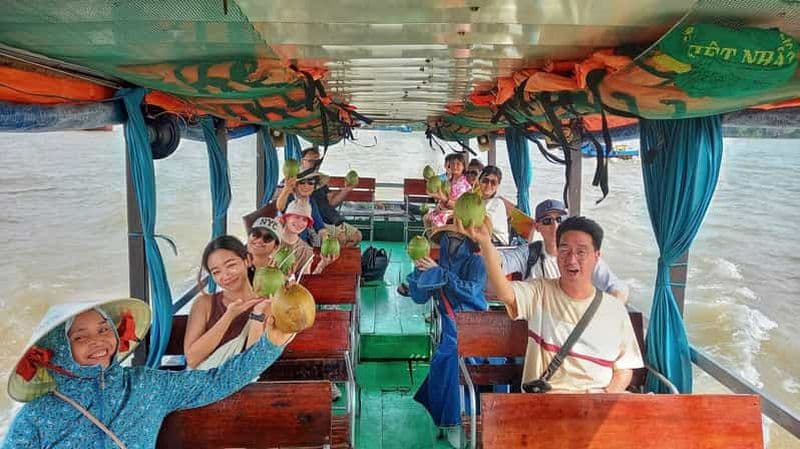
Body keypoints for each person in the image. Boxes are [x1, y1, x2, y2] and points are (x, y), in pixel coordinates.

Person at [2, 297, 293, 449]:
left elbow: (216, 381)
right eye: (80, 337)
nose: (97, 341)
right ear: (59, 350)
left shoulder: (147, 385)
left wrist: (271, 343)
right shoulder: (38, 414)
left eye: (105, 330)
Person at [460, 215, 643, 394]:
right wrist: (485, 243)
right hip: (547, 404)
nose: (571, 259)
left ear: (596, 257)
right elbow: (504, 292)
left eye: (581, 252)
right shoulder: (540, 293)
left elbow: (625, 368)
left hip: (597, 405)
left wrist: (605, 396)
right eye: (564, 250)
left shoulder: (615, 310)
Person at [406, 226, 487, 447]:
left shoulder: (476, 262)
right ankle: (452, 421)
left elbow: (471, 291)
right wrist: (418, 273)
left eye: (459, 238)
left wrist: (443, 275)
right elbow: (420, 298)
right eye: (449, 237)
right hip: (451, 330)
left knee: (456, 356)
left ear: (468, 242)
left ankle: (467, 416)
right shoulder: (437, 264)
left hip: (479, 327)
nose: (453, 241)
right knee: (449, 358)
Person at [498, 199, 628, 301]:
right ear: (537, 227)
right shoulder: (529, 254)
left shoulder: (583, 257)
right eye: (547, 221)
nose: (555, 226)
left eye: (559, 219)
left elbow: (617, 286)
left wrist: (612, 308)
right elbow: (501, 263)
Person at [183, 235, 274, 370]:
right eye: (216, 272)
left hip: (247, 386)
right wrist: (228, 317)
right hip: (202, 386)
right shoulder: (204, 303)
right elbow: (192, 359)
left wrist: (257, 314)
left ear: (247, 260)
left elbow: (253, 365)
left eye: (231, 265)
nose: (225, 275)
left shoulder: (267, 304)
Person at [299, 147, 363, 247]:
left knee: (357, 236)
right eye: (311, 161)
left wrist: (346, 189)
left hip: (332, 218)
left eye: (318, 161)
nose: (315, 164)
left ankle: (336, 258)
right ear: (301, 161)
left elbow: (332, 202)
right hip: (316, 222)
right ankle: (333, 259)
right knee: (340, 238)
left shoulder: (320, 181)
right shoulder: (297, 181)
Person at [279, 199, 338, 277]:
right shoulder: (269, 240)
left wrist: (322, 264)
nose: (300, 223)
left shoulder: (306, 251)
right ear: (286, 218)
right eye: (296, 216)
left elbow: (305, 281)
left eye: (304, 219)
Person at [276, 168, 329, 246]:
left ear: (314, 186)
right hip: (285, 244)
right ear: (296, 185)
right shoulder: (289, 197)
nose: (306, 186)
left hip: (302, 243)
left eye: (311, 183)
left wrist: (326, 240)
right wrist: (286, 189)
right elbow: (280, 207)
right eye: (302, 182)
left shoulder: (311, 201)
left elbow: (319, 226)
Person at [424, 153, 472, 228]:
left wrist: (442, 199)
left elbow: (458, 206)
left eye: (458, 164)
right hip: (445, 209)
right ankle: (431, 239)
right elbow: (441, 195)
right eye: (452, 163)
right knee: (426, 218)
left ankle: (435, 239)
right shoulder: (448, 180)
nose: (455, 166)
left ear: (463, 167)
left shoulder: (463, 184)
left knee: (435, 221)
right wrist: (439, 206)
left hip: (456, 212)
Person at [477, 165, 509, 246]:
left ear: (498, 185)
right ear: (479, 181)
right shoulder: (479, 200)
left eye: (493, 182)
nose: (488, 185)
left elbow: (484, 224)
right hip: (483, 239)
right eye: (485, 181)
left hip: (497, 245)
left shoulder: (498, 203)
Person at [246, 217, 283, 284]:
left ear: (276, 247)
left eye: (268, 238)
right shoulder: (235, 264)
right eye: (256, 234)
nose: (259, 240)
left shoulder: (280, 273)